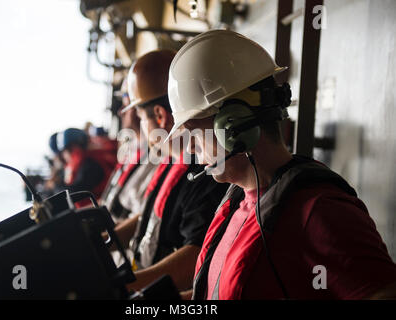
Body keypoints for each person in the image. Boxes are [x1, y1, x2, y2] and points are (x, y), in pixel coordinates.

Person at [164, 29, 396, 299]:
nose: (190, 146)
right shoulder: (237, 203)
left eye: (193, 131)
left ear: (233, 124)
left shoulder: (319, 212)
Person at [114, 49, 229, 293]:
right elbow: (152, 215)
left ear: (159, 115)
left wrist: (120, 291)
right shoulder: (174, 162)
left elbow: (196, 257)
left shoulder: (208, 170)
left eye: (140, 117)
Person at [99, 79, 158, 224]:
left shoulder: (159, 153)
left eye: (126, 104)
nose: (120, 111)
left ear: (140, 109)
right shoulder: (130, 148)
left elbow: (141, 215)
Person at [57, 127, 115, 202]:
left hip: (104, 209)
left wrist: (56, 186)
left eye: (67, 150)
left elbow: (74, 192)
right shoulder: (84, 163)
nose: (64, 156)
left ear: (75, 147)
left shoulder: (91, 165)